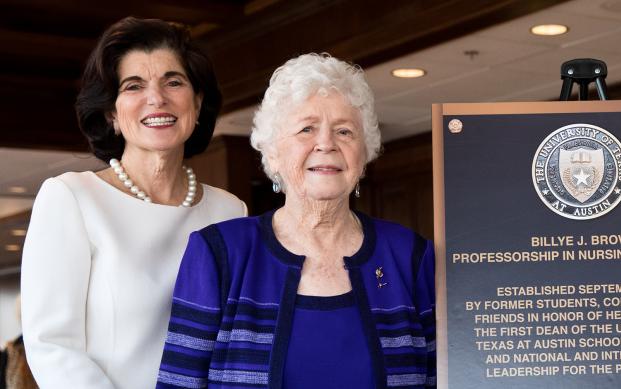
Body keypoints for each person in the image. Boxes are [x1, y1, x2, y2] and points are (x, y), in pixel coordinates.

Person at [156, 53, 436, 389]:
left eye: (344, 131)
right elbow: (178, 383)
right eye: (306, 129)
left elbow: (445, 378)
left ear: (364, 155)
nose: (326, 144)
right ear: (273, 152)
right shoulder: (219, 254)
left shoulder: (410, 256)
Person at [20, 17, 247, 389]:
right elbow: (52, 346)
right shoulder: (71, 198)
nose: (156, 98)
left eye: (173, 81)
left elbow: (237, 341)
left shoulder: (230, 211)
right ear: (112, 113)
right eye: (133, 86)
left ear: (198, 100)